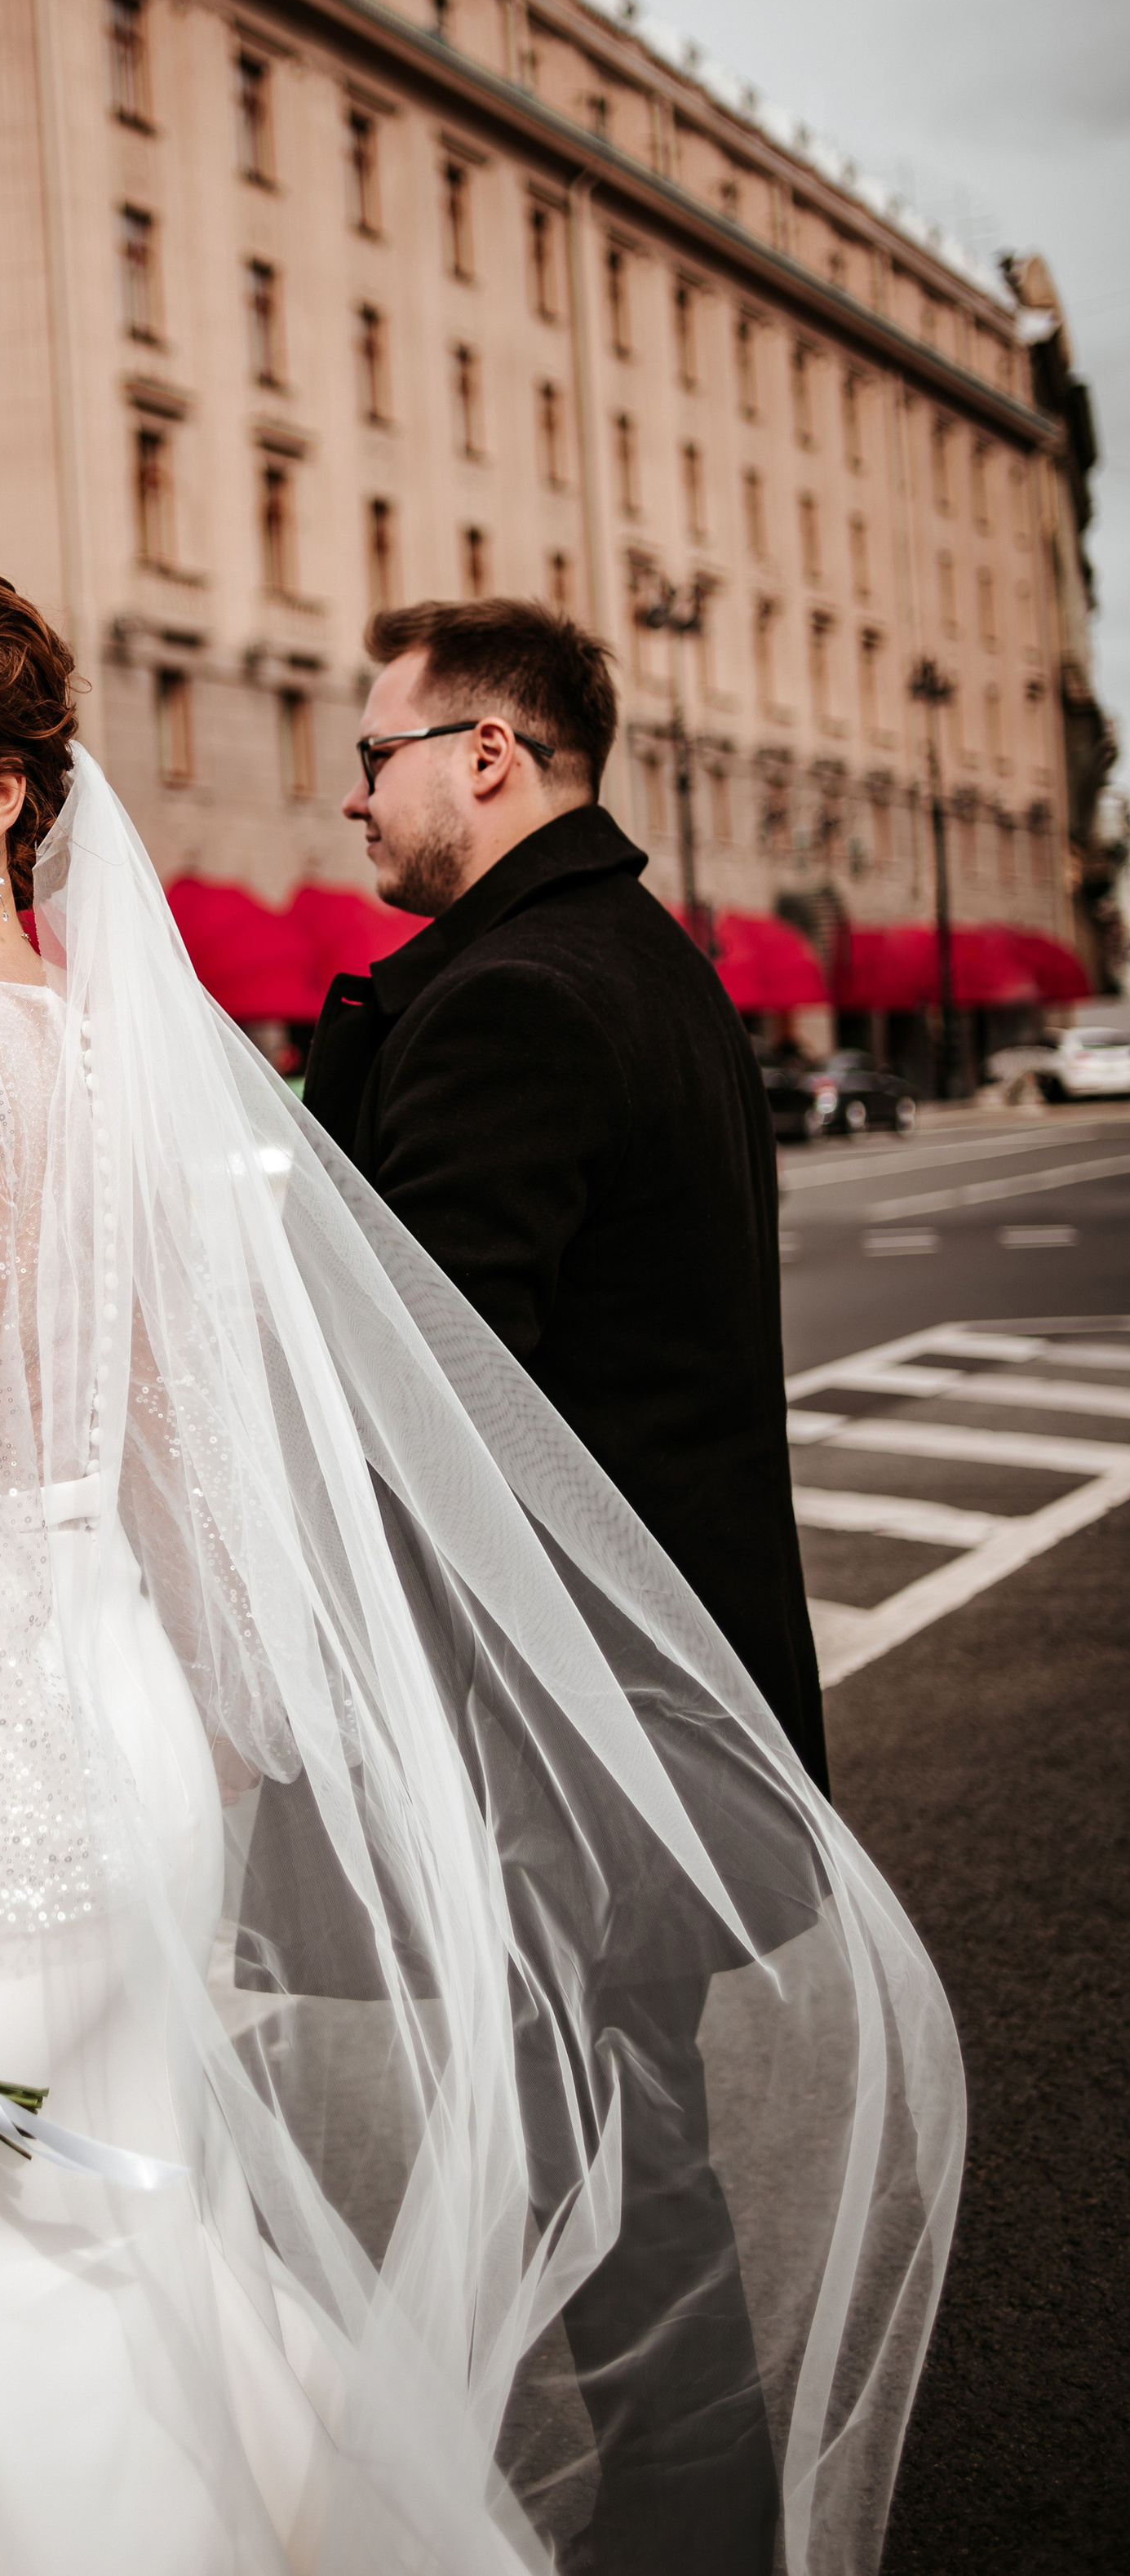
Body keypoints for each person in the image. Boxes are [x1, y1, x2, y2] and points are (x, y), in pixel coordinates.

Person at [0, 553, 959, 2576]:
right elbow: (154, 1427)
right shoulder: (106, 1044)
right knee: (126, 2263)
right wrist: (223, 1723)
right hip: (121, 1740)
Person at [300, 594, 824, 2569]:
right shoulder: (646, 963)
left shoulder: (510, 995)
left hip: (570, 1714)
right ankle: (694, 2509)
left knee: (610, 2148)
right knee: (608, 2138)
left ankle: (695, 2528)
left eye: (375, 757)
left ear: (486, 758)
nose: (351, 803)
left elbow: (436, 1389)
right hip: (663, 1686)